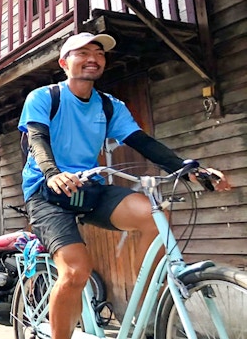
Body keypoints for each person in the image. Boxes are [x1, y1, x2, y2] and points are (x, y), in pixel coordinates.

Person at [18, 32, 231, 339]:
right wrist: (52, 172)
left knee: (153, 215)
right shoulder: (44, 97)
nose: (93, 58)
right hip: (47, 192)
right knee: (76, 272)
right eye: (83, 53)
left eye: (99, 53)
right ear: (64, 63)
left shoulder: (109, 105)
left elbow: (142, 142)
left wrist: (189, 170)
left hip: (90, 188)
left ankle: (144, 306)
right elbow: (37, 138)